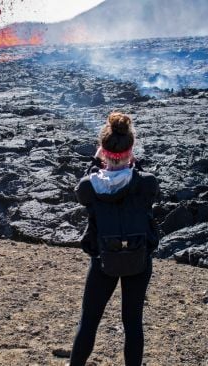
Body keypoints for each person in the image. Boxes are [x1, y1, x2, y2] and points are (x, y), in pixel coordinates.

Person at [69, 112, 159, 366]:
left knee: (89, 322)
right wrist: (132, 163)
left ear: (103, 151)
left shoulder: (88, 187)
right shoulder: (147, 183)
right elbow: (139, 183)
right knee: (132, 323)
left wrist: (95, 162)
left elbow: (87, 183)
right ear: (131, 150)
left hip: (103, 260)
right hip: (138, 260)